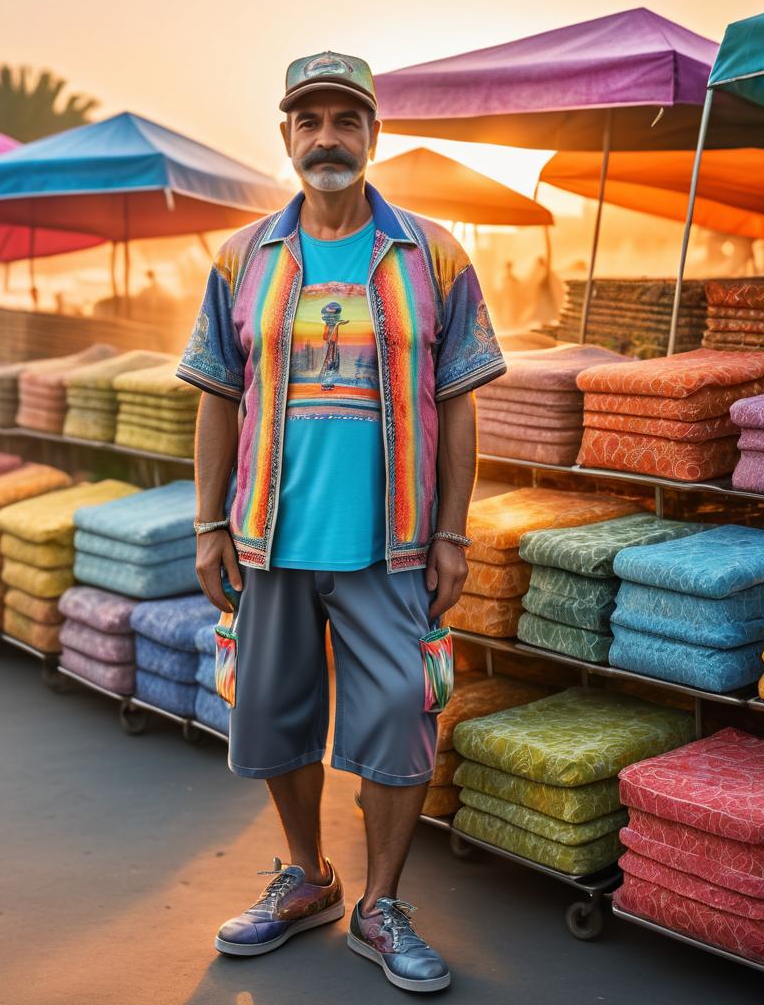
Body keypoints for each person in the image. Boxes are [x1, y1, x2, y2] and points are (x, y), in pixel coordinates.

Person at [176, 50, 506, 994]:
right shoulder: (241, 257)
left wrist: (452, 532)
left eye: (345, 120)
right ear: (285, 137)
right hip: (268, 538)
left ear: (374, 133)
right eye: (309, 121)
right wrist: (208, 525)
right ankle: (306, 877)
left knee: (405, 713)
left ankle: (382, 903)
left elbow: (459, 401)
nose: (328, 137)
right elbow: (215, 396)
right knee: (274, 712)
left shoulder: (434, 254)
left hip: (393, 542)